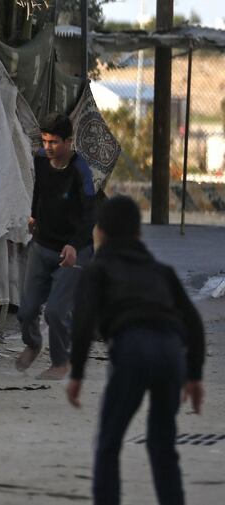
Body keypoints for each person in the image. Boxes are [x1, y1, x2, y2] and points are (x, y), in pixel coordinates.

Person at [66, 196, 205, 505]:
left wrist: (76, 373)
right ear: (138, 235)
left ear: (99, 233)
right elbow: (193, 323)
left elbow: (84, 320)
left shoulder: (97, 269)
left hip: (132, 349)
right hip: (171, 353)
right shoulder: (161, 270)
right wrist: (194, 376)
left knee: (109, 443)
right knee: (162, 445)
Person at [15, 113, 96, 380]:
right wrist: (33, 215)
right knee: (26, 309)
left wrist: (74, 245)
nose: (48, 147)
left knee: (56, 312)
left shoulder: (80, 170)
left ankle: (61, 363)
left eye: (54, 142)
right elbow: (40, 189)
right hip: (42, 245)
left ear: (69, 142)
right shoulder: (40, 159)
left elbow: (89, 214)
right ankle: (33, 343)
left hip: (73, 252)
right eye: (45, 141)